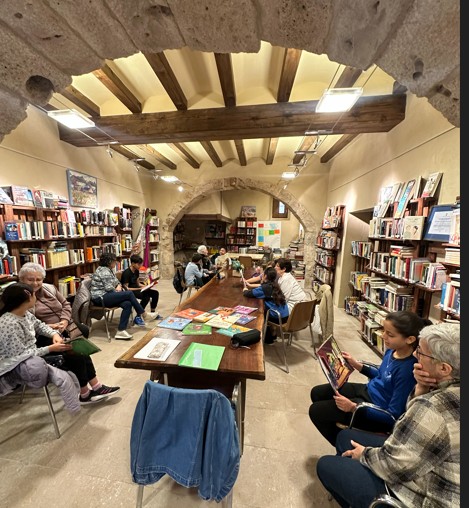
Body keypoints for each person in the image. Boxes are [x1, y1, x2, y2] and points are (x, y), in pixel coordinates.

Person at [316, 323, 460, 508]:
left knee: (326, 464)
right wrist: (421, 388)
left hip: (425, 494)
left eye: (421, 353)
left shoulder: (433, 407)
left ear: (444, 369)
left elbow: (397, 465)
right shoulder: (439, 387)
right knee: (344, 436)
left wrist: (363, 455)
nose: (416, 355)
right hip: (421, 461)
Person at [309, 311, 431, 446]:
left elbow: (393, 416)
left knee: (316, 411)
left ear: (410, 339)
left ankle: (345, 444)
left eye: (390, 335)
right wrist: (357, 365)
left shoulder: (407, 372)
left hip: (375, 410)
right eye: (384, 331)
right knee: (317, 393)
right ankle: (343, 436)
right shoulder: (392, 351)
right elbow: (382, 374)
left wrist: (353, 408)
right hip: (368, 391)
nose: (383, 336)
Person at [18, 262, 120, 404]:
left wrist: (64, 321)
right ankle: (85, 393)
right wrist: (51, 328)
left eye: (38, 279)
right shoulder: (20, 297)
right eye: (30, 279)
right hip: (40, 337)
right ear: (22, 279)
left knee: (81, 344)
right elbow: (28, 325)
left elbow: (66, 305)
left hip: (61, 327)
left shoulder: (49, 288)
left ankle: (96, 386)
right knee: (75, 350)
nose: (35, 283)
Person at [0, 282, 81, 413]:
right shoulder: (9, 324)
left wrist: (54, 334)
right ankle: (83, 393)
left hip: (32, 354)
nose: (36, 297)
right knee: (73, 357)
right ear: (27, 298)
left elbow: (39, 325)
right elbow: (20, 356)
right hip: (18, 364)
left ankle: (85, 390)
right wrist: (50, 349)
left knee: (74, 351)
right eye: (34, 294)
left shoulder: (25, 313)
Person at [90, 252, 149, 340]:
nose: (116, 262)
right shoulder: (104, 271)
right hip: (100, 298)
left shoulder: (109, 269)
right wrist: (118, 289)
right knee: (129, 293)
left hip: (107, 295)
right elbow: (109, 288)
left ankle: (121, 331)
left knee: (127, 303)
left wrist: (118, 285)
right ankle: (143, 313)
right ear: (109, 262)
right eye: (114, 261)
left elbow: (116, 281)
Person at [243, 267, 289, 344]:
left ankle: (267, 339)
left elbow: (249, 294)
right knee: (264, 309)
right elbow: (260, 288)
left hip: (278, 318)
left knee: (259, 314)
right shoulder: (275, 285)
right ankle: (272, 336)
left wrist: (245, 290)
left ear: (265, 276)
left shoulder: (265, 288)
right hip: (285, 315)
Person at [120, 254, 162, 319]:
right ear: (133, 264)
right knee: (146, 297)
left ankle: (153, 312)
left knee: (155, 293)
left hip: (138, 289)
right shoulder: (126, 273)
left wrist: (147, 286)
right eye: (138, 264)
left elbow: (138, 283)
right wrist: (139, 288)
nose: (140, 266)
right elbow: (127, 289)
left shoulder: (136, 271)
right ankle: (138, 315)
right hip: (131, 291)